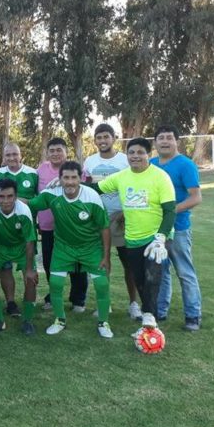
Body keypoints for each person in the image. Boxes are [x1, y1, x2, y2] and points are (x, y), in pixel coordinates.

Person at [91, 137, 176, 334]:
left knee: (152, 277)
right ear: (127, 155)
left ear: (149, 154)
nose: (135, 156)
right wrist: (66, 184)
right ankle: (148, 312)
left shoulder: (160, 177)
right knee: (139, 278)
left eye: (140, 152)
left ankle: (150, 318)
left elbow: (170, 211)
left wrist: (161, 237)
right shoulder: (122, 177)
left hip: (156, 239)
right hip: (133, 239)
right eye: (132, 153)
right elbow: (96, 188)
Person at [29, 161, 114, 339]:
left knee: (102, 284)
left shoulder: (91, 196)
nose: (69, 182)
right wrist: (7, 199)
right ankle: (59, 320)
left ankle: (103, 322)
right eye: (65, 177)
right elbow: (31, 203)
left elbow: (104, 227)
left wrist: (106, 256)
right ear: (59, 179)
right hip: (63, 247)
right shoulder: (51, 193)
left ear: (80, 178)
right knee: (56, 284)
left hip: (90, 247)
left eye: (73, 177)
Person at [83, 123, 140, 319]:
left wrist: (125, 211)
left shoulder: (125, 160)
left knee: (129, 264)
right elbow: (87, 188)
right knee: (102, 263)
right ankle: (103, 304)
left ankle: (133, 304)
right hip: (99, 221)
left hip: (123, 220)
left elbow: (135, 186)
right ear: (95, 141)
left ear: (114, 138)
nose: (102, 141)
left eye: (106, 137)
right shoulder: (89, 162)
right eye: (99, 138)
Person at [151, 124, 203, 331]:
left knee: (184, 272)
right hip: (155, 230)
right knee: (160, 272)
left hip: (178, 229)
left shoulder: (185, 165)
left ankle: (193, 315)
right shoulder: (151, 164)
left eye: (169, 138)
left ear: (176, 141)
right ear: (155, 143)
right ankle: (159, 312)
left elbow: (196, 197)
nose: (164, 141)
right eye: (160, 138)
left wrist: (170, 212)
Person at [0, 178, 39, 336]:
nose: (6, 201)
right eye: (1, 197)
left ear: (16, 196)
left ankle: (27, 320)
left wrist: (28, 269)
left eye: (10, 196)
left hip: (20, 248)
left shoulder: (24, 210)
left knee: (31, 279)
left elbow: (29, 241)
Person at [37, 137, 88, 313]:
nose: (55, 153)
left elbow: (87, 187)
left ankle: (78, 300)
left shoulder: (76, 169)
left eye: (59, 150)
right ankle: (52, 297)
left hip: (73, 227)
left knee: (77, 264)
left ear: (66, 152)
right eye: (52, 150)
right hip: (48, 227)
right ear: (47, 153)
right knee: (50, 264)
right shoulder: (41, 170)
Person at [0, 143, 39, 317]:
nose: (12, 158)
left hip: (26, 231)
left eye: (15, 154)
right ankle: (11, 302)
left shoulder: (32, 173)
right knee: (6, 269)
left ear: (21, 155)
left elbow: (39, 198)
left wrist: (21, 202)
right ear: (4, 157)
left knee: (29, 268)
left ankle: (30, 303)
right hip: (4, 232)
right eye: (8, 155)